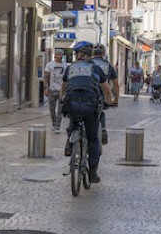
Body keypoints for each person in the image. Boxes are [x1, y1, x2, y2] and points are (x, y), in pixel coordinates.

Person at [60, 41, 113, 184]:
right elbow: (106, 89)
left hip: (72, 104)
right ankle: (93, 173)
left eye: (76, 53)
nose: (76, 55)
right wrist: (109, 101)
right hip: (90, 105)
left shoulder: (70, 68)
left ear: (81, 54)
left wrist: (61, 99)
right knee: (93, 139)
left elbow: (64, 87)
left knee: (73, 121)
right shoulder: (96, 69)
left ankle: (70, 144)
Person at [91, 43, 117, 145]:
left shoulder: (88, 63)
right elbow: (115, 85)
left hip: (88, 93)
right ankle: (103, 128)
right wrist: (115, 100)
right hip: (101, 96)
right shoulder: (108, 65)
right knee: (100, 113)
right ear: (104, 53)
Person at [43, 49, 67, 132]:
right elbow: (46, 76)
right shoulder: (49, 65)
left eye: (62, 55)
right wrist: (46, 87)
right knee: (52, 108)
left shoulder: (65, 66)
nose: (60, 56)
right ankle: (54, 122)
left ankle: (58, 125)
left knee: (60, 109)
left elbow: (67, 79)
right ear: (55, 55)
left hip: (61, 91)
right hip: (52, 90)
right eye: (59, 54)